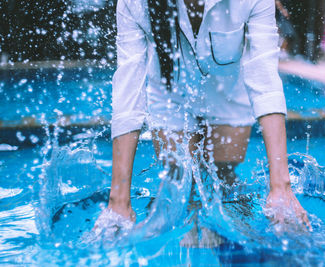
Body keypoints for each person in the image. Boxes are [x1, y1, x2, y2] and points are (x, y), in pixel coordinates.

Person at [99, 0, 311, 235]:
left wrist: (281, 187)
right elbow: (128, 89)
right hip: (171, 93)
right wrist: (118, 201)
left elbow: (265, 79)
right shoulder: (134, 3)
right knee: (177, 182)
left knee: (224, 179)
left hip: (227, 92)